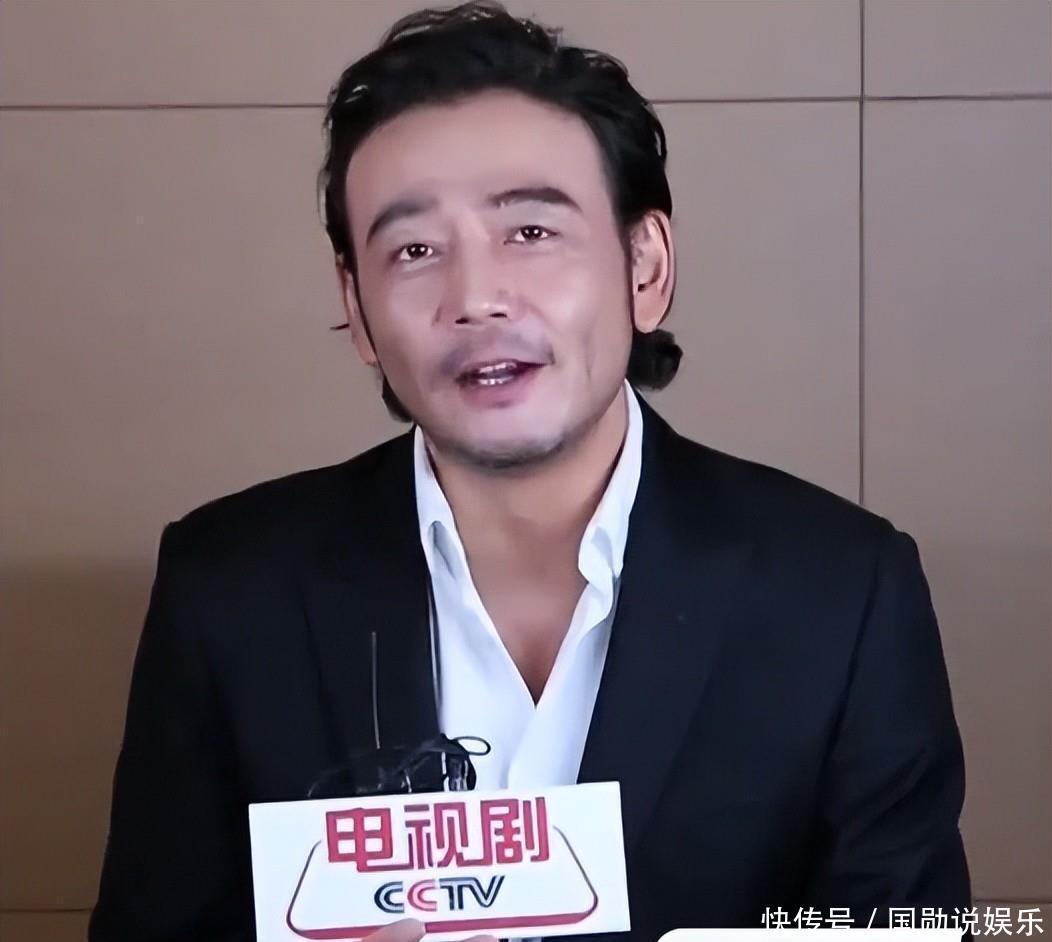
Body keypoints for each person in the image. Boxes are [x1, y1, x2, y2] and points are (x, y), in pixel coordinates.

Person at [89, 3, 971, 941]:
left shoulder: (840, 591)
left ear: (645, 266)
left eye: (531, 233)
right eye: (414, 251)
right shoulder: (231, 588)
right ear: (357, 305)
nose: (476, 299)